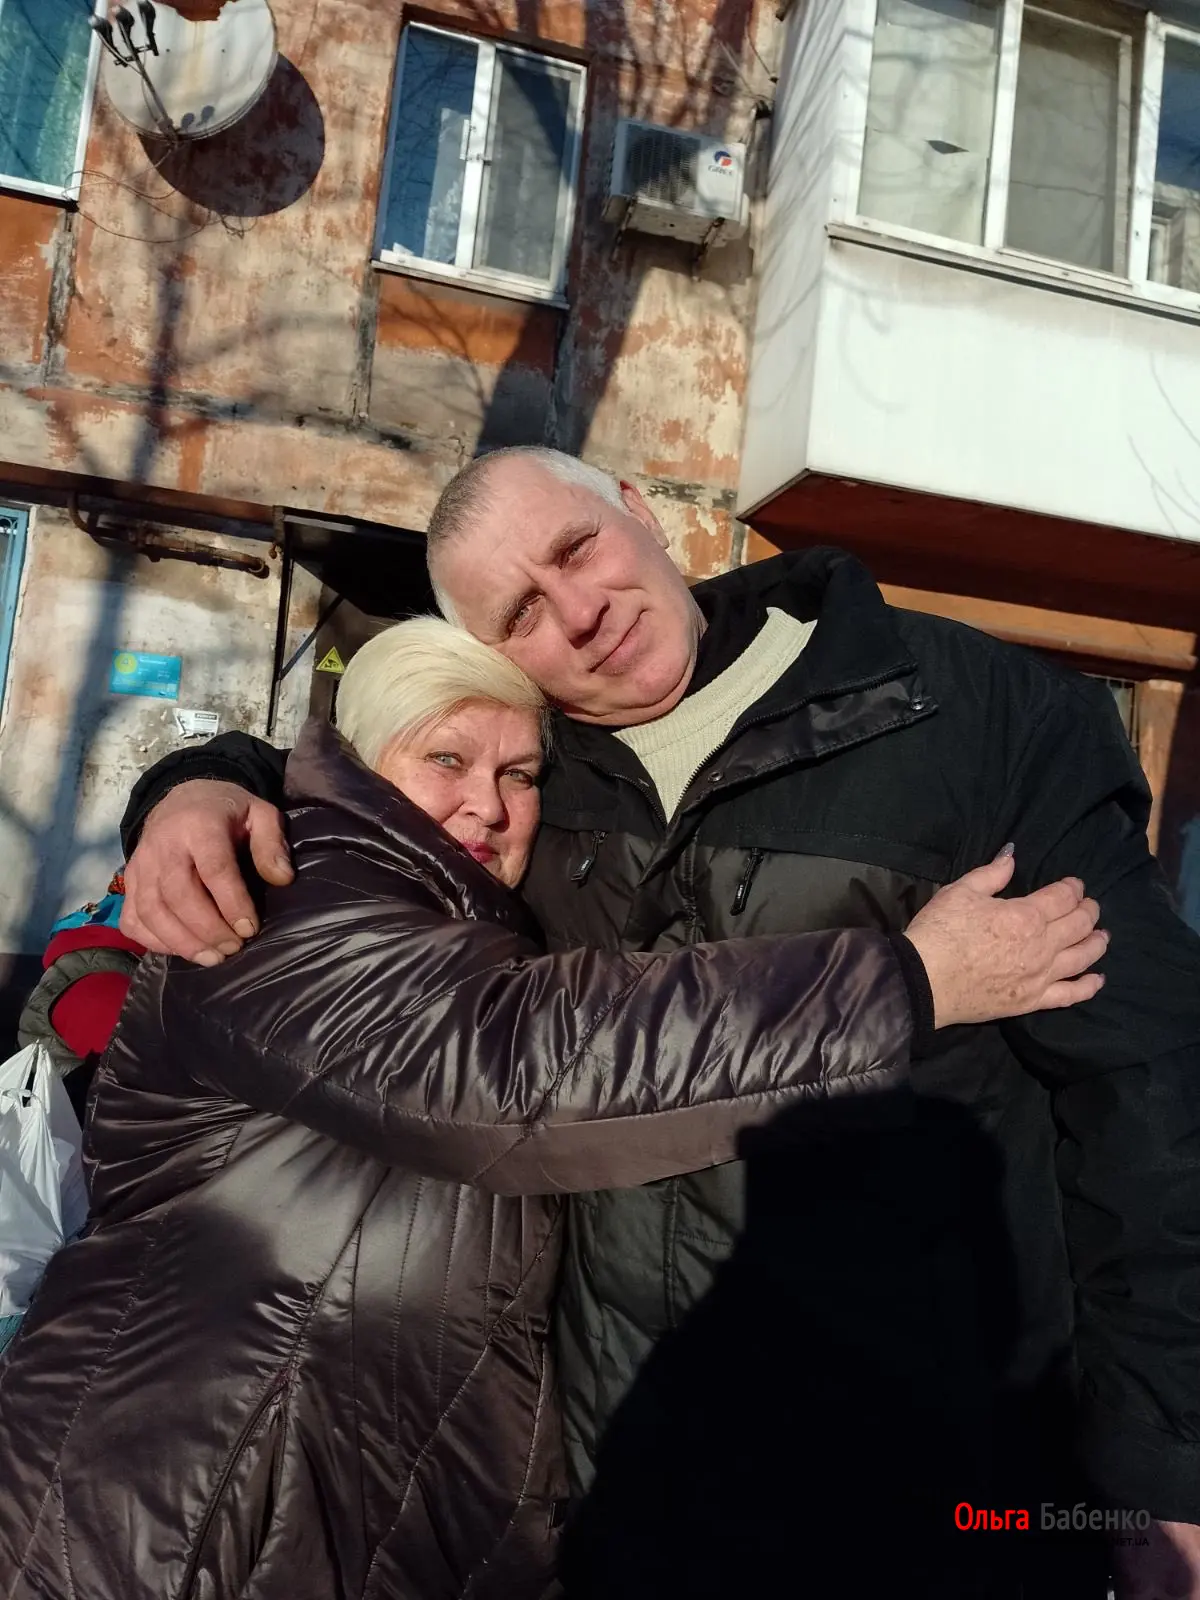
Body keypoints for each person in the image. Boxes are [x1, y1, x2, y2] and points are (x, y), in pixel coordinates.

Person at [116, 448, 1200, 1599]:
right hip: (621, 1492)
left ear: (639, 509)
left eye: (577, 549)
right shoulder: (527, 775)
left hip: (930, 1487)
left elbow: (1147, 1087)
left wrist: (1161, 1462)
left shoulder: (970, 708)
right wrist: (199, 779)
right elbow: (378, 802)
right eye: (521, 613)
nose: (578, 614)